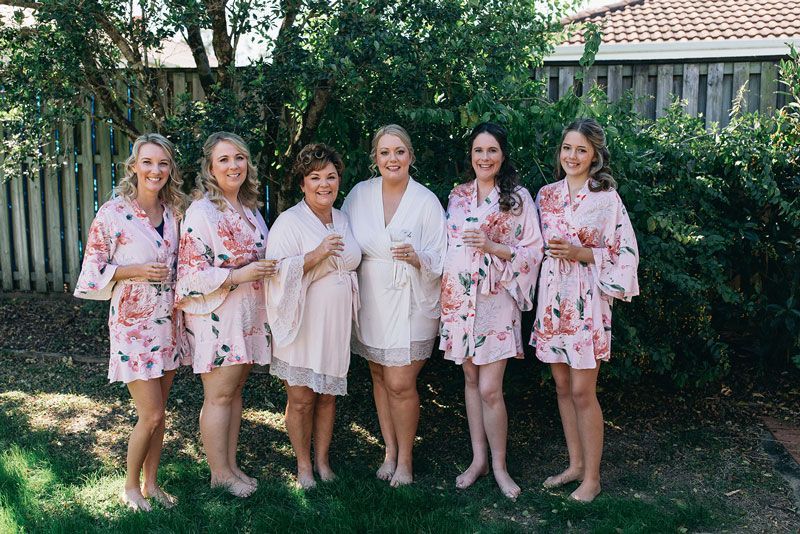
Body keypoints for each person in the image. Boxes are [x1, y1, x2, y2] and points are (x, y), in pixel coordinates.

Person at [74, 133, 190, 511]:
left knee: (161, 414)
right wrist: (134, 270)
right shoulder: (112, 214)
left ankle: (152, 484)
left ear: (170, 169)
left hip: (168, 322)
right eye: (148, 162)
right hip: (133, 326)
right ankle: (130, 487)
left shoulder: (174, 212)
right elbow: (91, 273)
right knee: (150, 413)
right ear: (134, 167)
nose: (155, 170)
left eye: (163, 163)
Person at [532, 118, 639, 503]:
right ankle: (575, 465)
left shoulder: (606, 198)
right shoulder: (546, 196)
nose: (572, 156)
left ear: (594, 155)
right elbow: (531, 244)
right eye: (567, 148)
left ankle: (592, 478)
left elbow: (626, 253)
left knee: (582, 390)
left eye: (581, 149)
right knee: (562, 386)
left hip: (587, 300)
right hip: (552, 299)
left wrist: (583, 253)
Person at [440, 122, 543, 500]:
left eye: (492, 151)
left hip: (496, 298)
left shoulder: (517, 199)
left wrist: (492, 246)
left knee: (489, 388)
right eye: (478, 151)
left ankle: (500, 466)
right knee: (470, 380)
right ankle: (478, 459)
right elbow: (447, 245)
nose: (485, 158)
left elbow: (534, 251)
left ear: (502, 155)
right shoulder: (458, 196)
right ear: (471, 155)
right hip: (460, 298)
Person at [342, 124, 447, 487]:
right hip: (372, 298)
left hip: (412, 298)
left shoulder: (426, 201)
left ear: (410, 156)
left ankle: (406, 460)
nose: (392, 159)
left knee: (400, 381)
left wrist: (418, 258)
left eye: (399, 151)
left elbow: (442, 256)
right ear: (375, 158)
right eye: (385, 152)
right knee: (379, 375)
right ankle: (389, 450)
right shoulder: (358, 195)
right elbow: (341, 239)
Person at [175, 132, 276, 498]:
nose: (233, 165)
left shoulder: (248, 207)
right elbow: (189, 277)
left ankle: (231, 467)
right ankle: (219, 475)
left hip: (247, 314)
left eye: (239, 158)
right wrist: (238, 275)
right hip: (217, 316)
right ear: (210, 168)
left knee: (233, 393)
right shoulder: (202, 212)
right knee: (219, 396)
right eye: (224, 160)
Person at [265, 143, 361, 489]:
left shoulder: (343, 218)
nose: (324, 184)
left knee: (328, 396)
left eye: (331, 177)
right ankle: (303, 466)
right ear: (302, 183)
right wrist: (318, 254)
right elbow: (276, 271)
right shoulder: (289, 222)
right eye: (316, 177)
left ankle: (322, 461)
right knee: (302, 399)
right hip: (302, 321)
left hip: (335, 323)